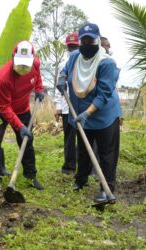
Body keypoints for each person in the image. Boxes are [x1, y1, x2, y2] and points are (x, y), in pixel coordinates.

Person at [57, 23, 121, 203]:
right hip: (80, 113)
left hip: (103, 115)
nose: (86, 43)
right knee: (83, 149)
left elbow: (104, 94)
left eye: (90, 40)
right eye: (83, 40)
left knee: (106, 152)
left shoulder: (106, 62)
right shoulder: (75, 56)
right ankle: (80, 180)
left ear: (97, 40)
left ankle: (106, 187)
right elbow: (65, 70)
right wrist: (62, 78)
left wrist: (88, 113)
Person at [0, 40, 45, 197]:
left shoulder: (35, 64)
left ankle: (30, 175)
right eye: (20, 65)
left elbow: (37, 76)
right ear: (13, 58)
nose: (23, 69)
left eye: (27, 65)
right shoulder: (2, 77)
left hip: (22, 108)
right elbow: (4, 107)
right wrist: (20, 127)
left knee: (27, 142)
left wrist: (39, 89)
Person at [54, 32, 79, 175]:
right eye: (70, 47)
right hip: (67, 108)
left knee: (84, 137)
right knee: (69, 138)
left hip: (82, 107)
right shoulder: (66, 65)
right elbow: (59, 89)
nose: (72, 49)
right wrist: (58, 107)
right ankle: (69, 166)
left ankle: (84, 166)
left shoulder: (85, 63)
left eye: (74, 46)